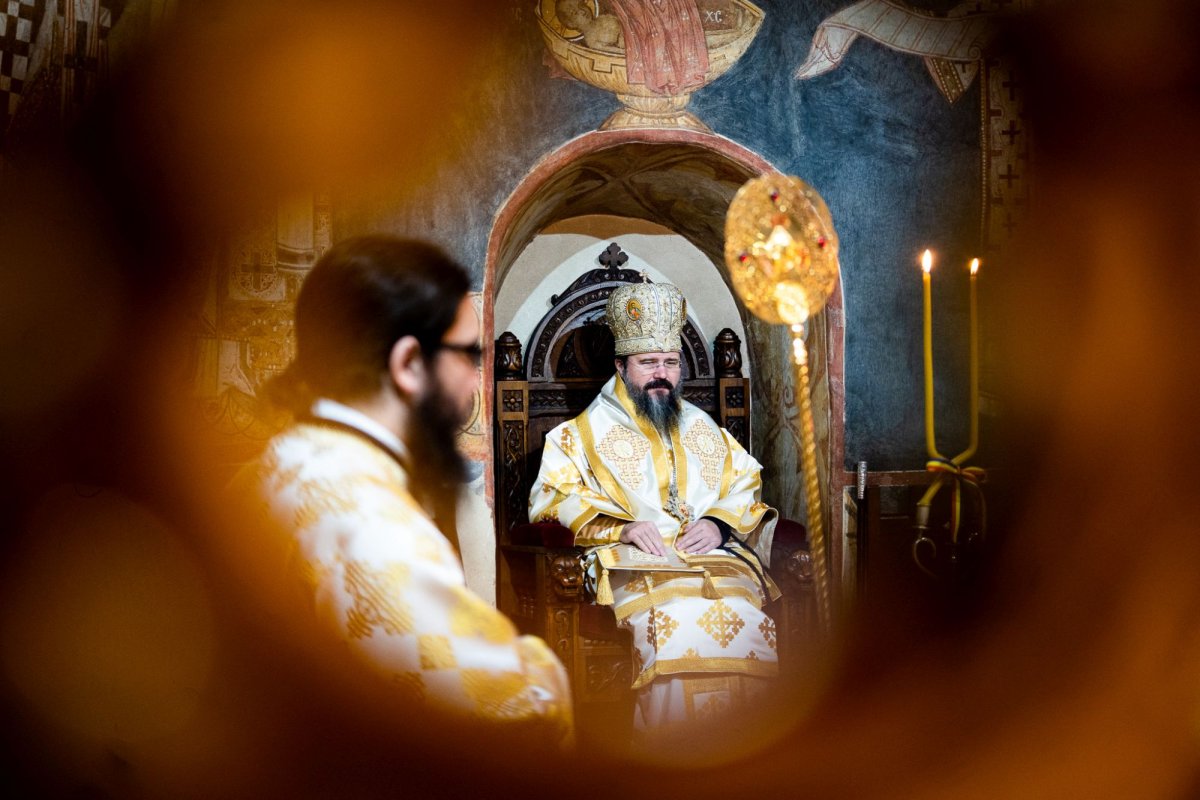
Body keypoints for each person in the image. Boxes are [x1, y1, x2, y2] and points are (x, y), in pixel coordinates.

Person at [240, 235, 572, 742]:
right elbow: (501, 701)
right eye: (467, 355)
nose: (474, 384)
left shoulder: (289, 457)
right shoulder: (366, 516)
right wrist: (545, 672)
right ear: (409, 364)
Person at [528, 276, 779, 749]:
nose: (661, 373)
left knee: (745, 617)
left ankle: (746, 758)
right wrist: (619, 529)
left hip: (715, 562)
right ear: (621, 367)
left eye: (669, 362)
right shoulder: (578, 435)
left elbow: (745, 479)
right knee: (677, 621)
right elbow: (549, 500)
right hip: (635, 564)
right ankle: (671, 757)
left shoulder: (702, 426)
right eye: (648, 363)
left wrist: (719, 523)